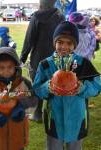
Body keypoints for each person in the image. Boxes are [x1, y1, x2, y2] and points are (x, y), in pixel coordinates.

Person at [33, 21, 101, 150]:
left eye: (69, 43)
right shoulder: (46, 64)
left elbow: (97, 86)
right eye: (60, 42)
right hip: (54, 119)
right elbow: (37, 89)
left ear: (75, 45)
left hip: (77, 117)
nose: (64, 46)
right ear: (54, 43)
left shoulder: (83, 64)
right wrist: (48, 87)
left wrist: (82, 87)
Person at [0, 47, 37, 150]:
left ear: (16, 67)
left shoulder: (23, 83)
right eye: (2, 67)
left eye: (10, 67)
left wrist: (21, 106)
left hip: (18, 130)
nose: (6, 71)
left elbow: (33, 98)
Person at [20, 0, 65, 122]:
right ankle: (51, 113)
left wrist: (22, 58)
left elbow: (29, 39)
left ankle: (38, 113)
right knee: (54, 83)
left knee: (38, 85)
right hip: (56, 56)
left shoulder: (37, 17)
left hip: (39, 57)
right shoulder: (60, 16)